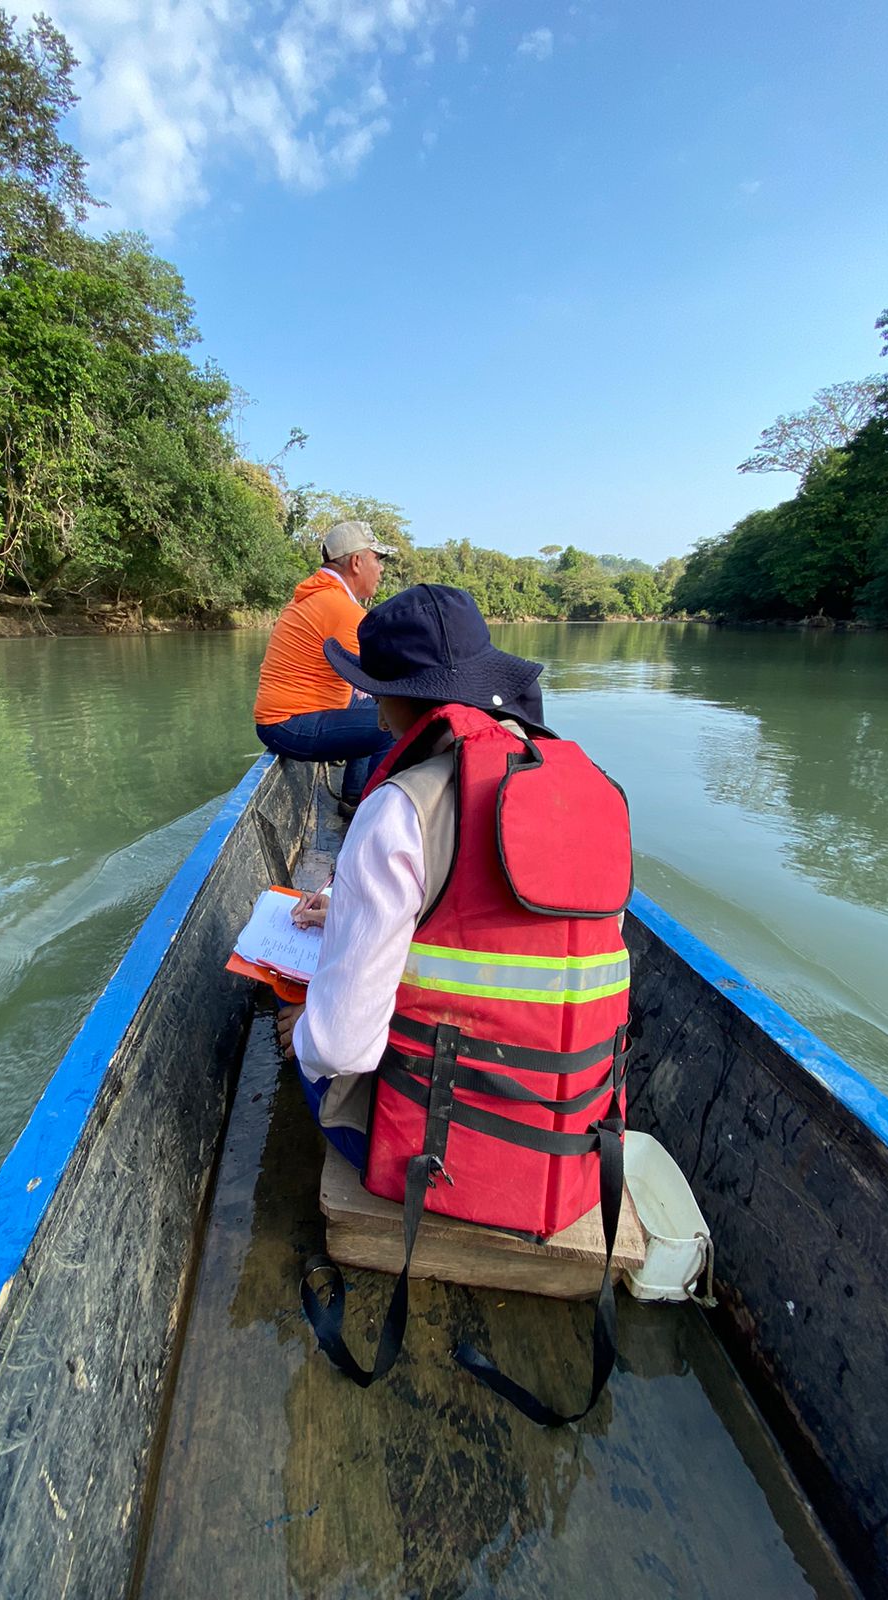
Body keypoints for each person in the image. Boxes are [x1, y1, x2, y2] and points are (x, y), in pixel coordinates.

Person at [275, 583, 633, 1417]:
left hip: (441, 1155)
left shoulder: (400, 809)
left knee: (303, 1034)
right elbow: (506, 936)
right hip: (581, 1151)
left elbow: (341, 1047)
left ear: (389, 699)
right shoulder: (590, 788)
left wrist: (304, 1018)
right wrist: (360, 915)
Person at [253, 520, 396, 814]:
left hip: (286, 717)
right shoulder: (341, 608)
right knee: (394, 727)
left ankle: (353, 798)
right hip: (289, 723)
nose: (381, 569)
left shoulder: (321, 596)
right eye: (377, 559)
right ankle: (370, 816)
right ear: (357, 562)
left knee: (376, 708)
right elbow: (385, 678)